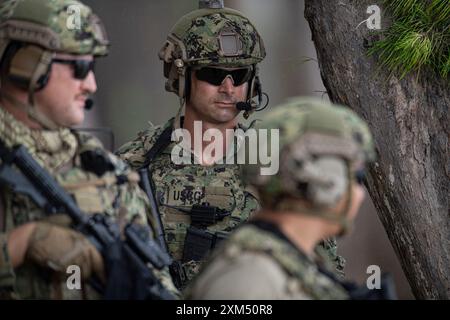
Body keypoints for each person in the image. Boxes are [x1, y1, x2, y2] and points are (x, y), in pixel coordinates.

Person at [0, 0, 177, 299]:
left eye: (92, 66)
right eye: (79, 67)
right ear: (25, 64)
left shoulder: (106, 170)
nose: (91, 84)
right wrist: (21, 244)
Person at [116, 0, 267, 289]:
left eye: (239, 76)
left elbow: (318, 268)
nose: (228, 88)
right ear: (182, 78)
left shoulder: (276, 165)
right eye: (212, 74)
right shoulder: (137, 163)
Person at [186, 97, 387, 299]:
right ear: (326, 180)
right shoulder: (251, 280)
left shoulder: (295, 263)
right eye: (357, 178)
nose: (360, 194)